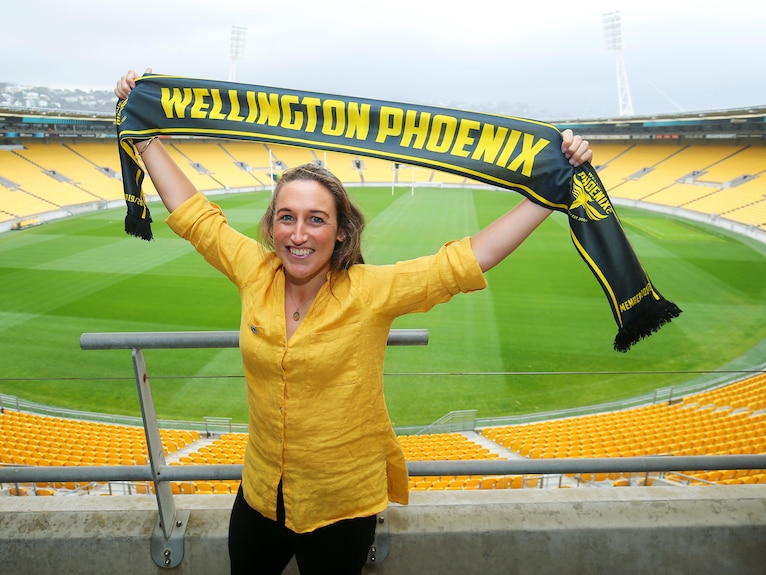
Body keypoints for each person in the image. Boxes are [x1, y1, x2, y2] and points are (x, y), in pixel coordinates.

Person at [115, 69, 592, 575]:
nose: (299, 234)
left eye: (316, 219)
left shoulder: (369, 292)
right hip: (258, 498)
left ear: (341, 233)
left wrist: (548, 190)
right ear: (272, 226)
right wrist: (144, 133)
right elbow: (196, 218)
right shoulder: (254, 270)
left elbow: (462, 263)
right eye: (287, 217)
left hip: (343, 507)